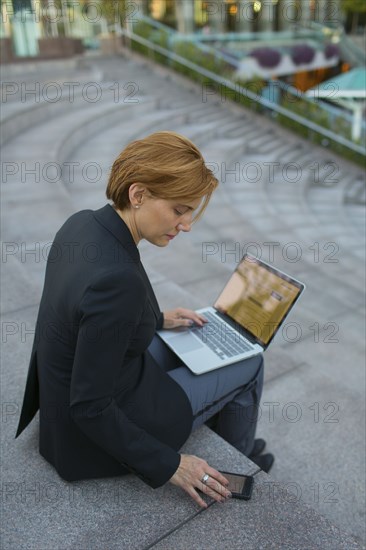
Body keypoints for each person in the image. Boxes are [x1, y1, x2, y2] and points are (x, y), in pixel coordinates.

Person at [16, 131, 273, 509]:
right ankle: (242, 455)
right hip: (88, 436)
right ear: (138, 195)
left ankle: (236, 434)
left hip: (74, 393)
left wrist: (157, 318)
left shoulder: (83, 224)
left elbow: (84, 312)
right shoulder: (117, 283)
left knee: (204, 342)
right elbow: (90, 406)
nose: (186, 225)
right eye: (179, 210)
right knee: (251, 362)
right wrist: (172, 465)